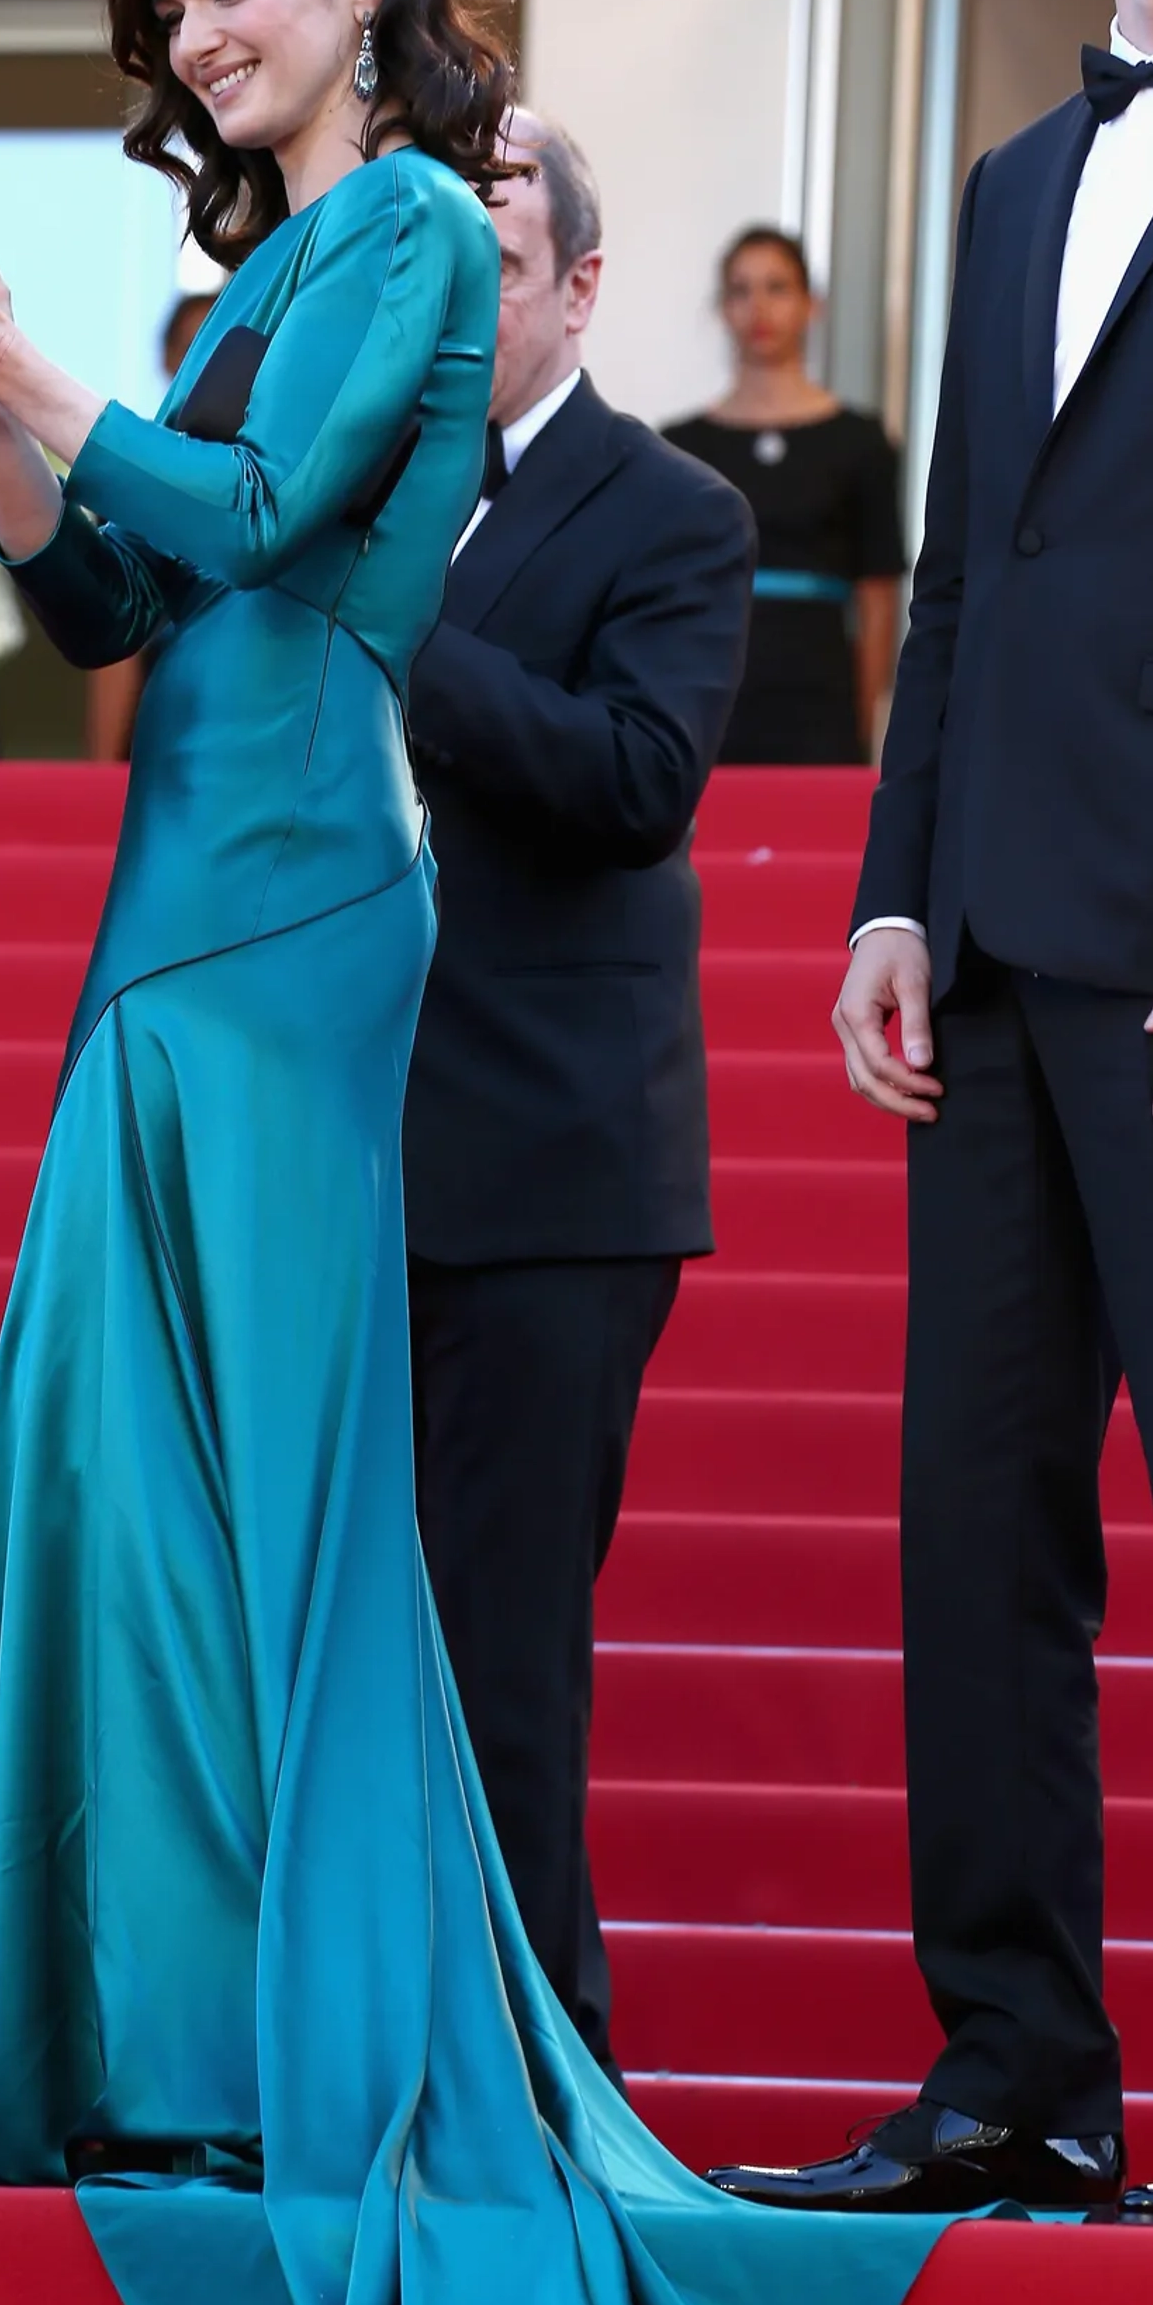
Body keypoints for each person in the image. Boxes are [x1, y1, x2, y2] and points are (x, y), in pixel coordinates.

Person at [0, 0, 956, 2305]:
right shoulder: (250, 275)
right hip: (173, 879)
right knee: (130, 1497)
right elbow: (98, 596)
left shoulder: (427, 222)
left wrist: (45, 385)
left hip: (307, 894)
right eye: (160, 15)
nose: (193, 41)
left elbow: (264, 526)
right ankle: (142, 2054)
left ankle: (300, 2077)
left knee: (300, 1532)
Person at [710, 0, 1153, 2223]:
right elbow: (977, 565)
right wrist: (893, 881)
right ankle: (1016, 2071)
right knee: (971, 1521)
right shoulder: (1013, 178)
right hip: (996, 935)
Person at [403, 115, 752, 2078]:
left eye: (500, 270)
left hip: (550, 1177)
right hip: (323, 1153)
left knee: (498, 1657)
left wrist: (393, 620)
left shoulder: (671, 512)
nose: (458, 311)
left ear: (586, 289)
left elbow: (633, 787)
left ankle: (532, 2087)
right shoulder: (328, 478)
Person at [665, 231, 903, 763]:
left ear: (810, 305)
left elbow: (879, 597)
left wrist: (865, 724)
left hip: (821, 698)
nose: (759, 307)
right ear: (723, 309)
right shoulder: (680, 447)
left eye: (777, 287)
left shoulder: (861, 442)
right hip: (708, 695)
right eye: (741, 290)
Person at [83, 289, 218, 761]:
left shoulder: (284, 477)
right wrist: (98, 774)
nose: (205, 362)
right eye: (191, 346)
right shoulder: (131, 475)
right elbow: (116, 644)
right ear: (165, 358)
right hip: (164, 735)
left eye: (220, 344)